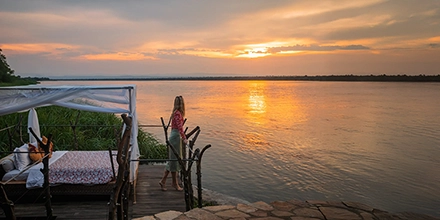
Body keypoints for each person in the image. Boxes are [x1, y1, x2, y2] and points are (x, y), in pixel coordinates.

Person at [159, 95, 187, 191]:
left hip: (174, 135)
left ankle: (163, 181)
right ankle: (174, 183)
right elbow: (180, 127)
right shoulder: (178, 114)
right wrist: (184, 138)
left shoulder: (175, 113)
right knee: (174, 160)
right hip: (175, 137)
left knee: (172, 160)